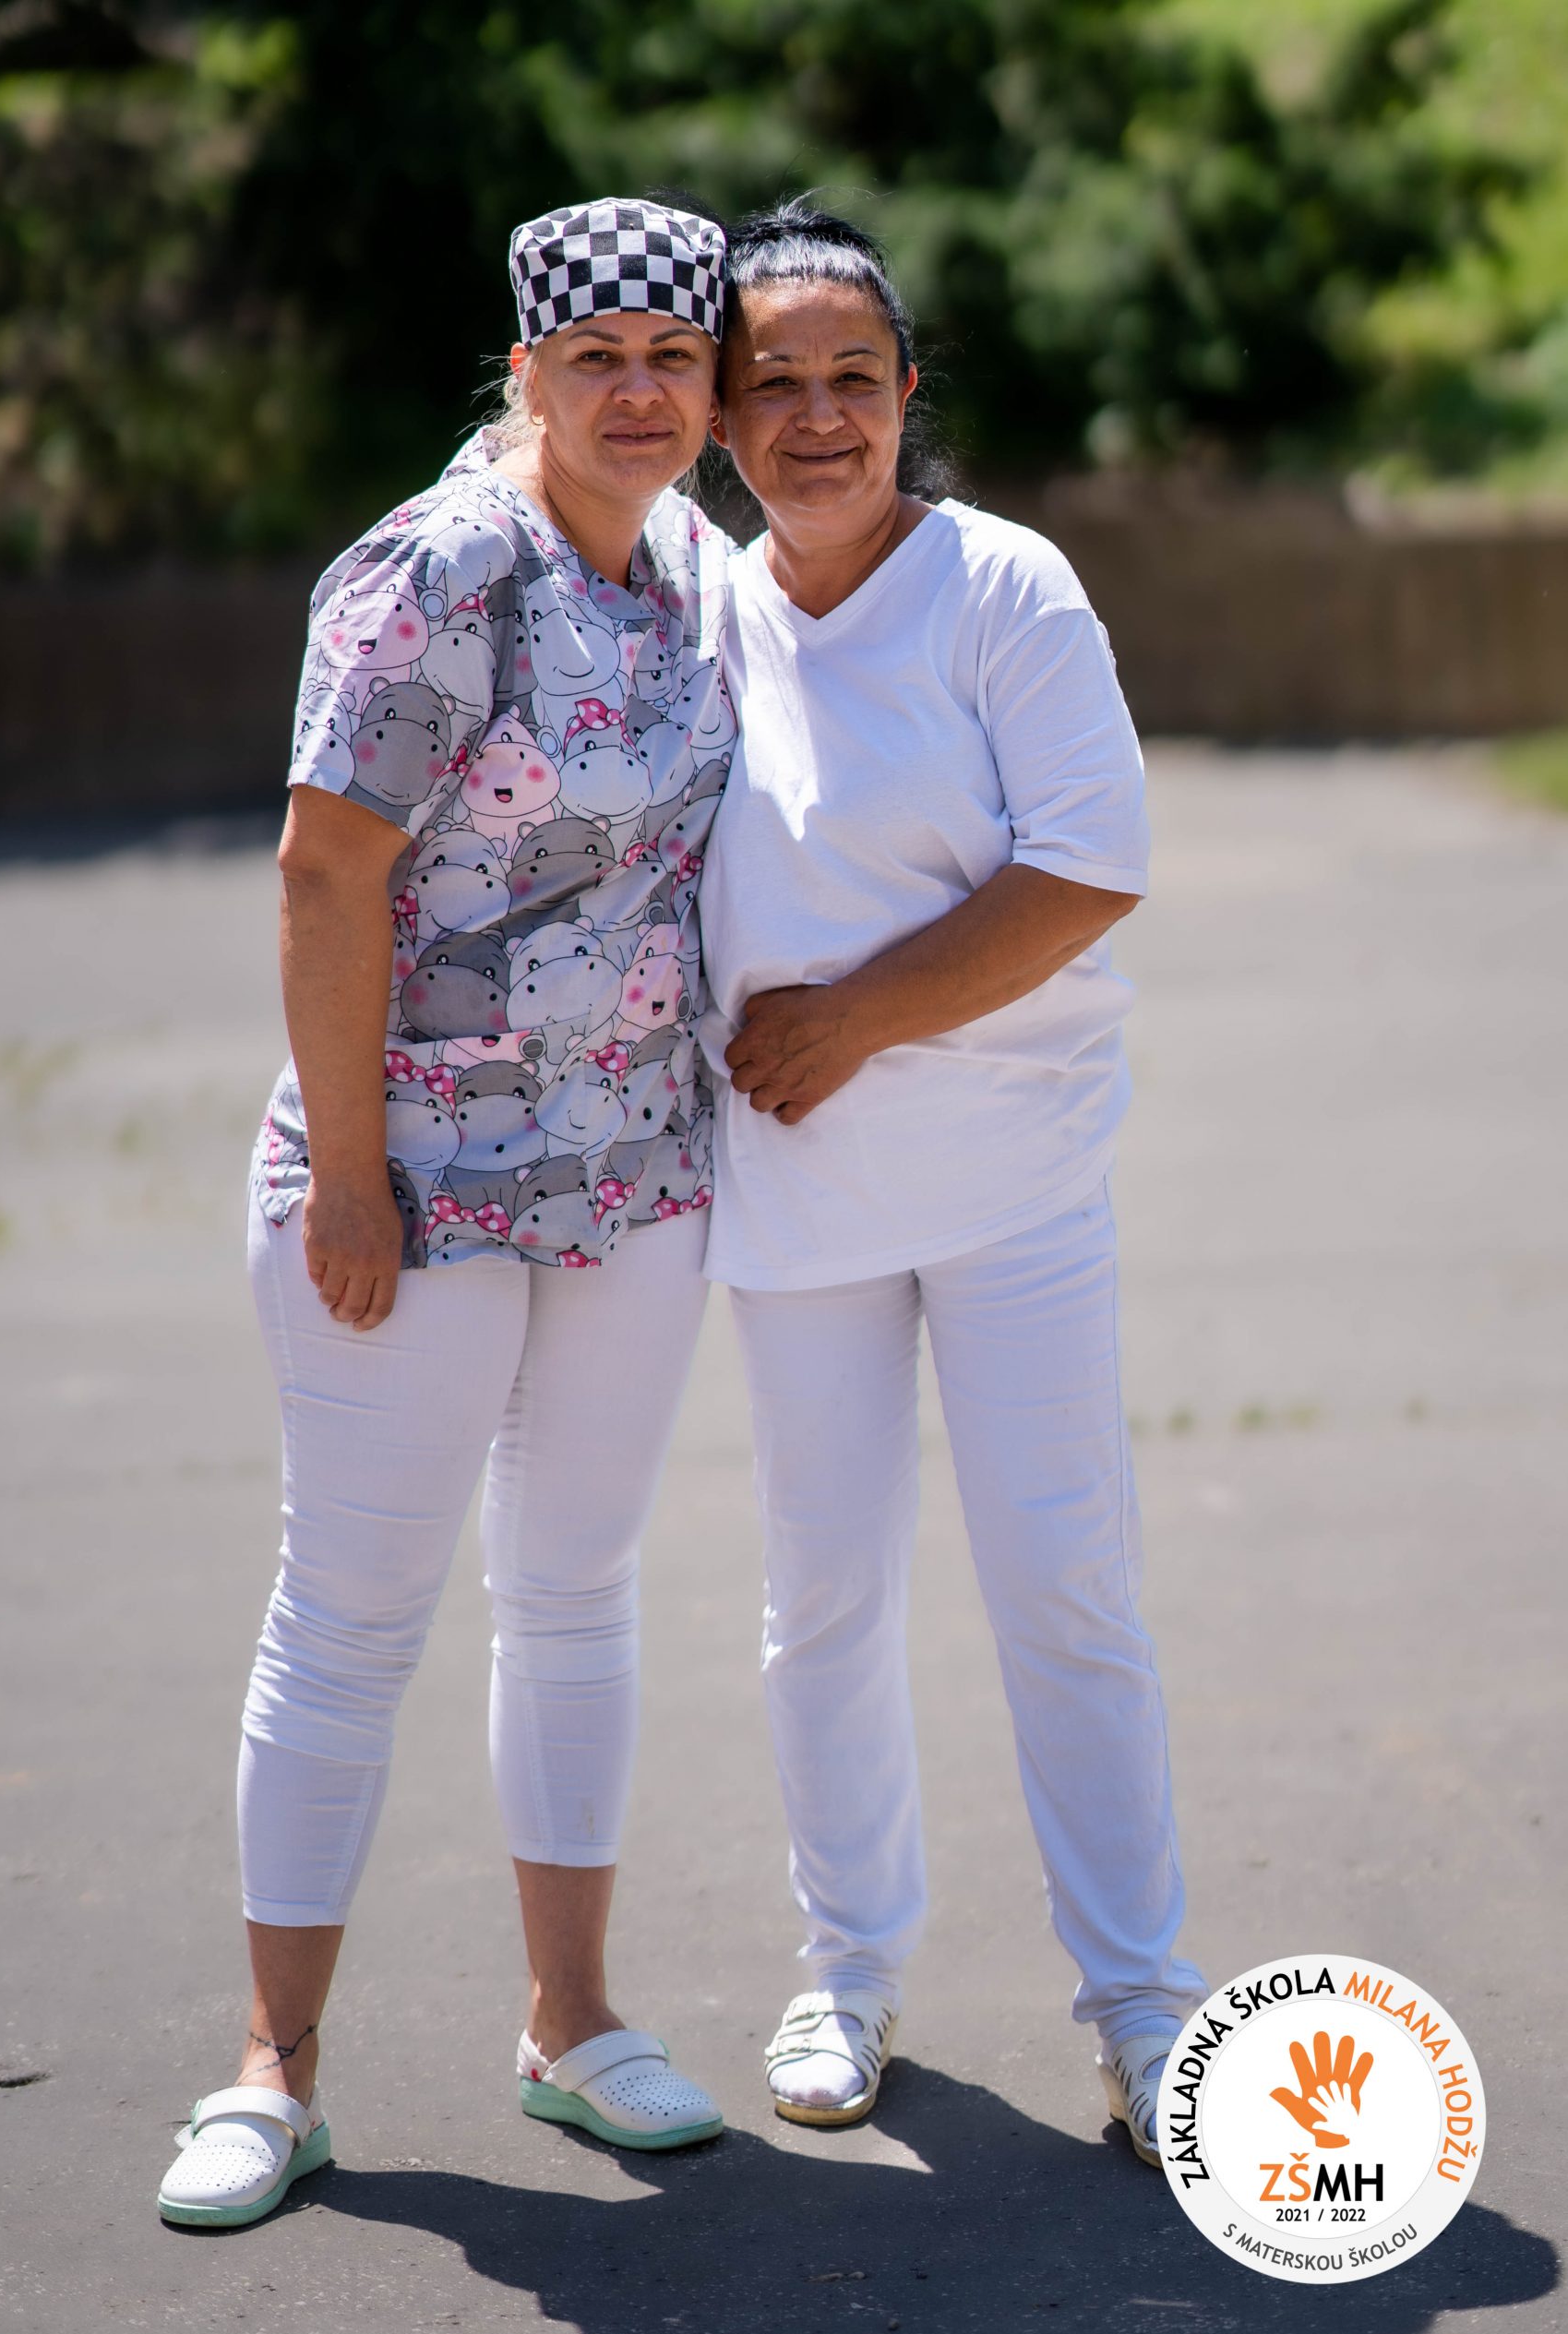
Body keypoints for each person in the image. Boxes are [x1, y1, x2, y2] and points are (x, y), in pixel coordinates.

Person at [158, 197, 738, 2230]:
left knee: (577, 1590)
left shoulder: (689, 559)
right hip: (412, 1181)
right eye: (599, 361)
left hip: (635, 1177)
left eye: (674, 357)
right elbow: (326, 872)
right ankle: (273, 2069)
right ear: (526, 375)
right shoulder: (446, 567)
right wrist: (347, 1172)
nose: (641, 394)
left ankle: (572, 2025)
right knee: (352, 1612)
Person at [696, 201, 1206, 2165]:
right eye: (776, 383)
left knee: (1062, 1584)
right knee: (819, 1597)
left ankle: (1144, 2003)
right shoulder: (693, 604)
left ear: (909, 392)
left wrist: (851, 1021)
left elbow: (1087, 867)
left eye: (855, 376)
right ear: (721, 413)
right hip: (794, 1195)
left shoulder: (1005, 586)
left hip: (1014, 1175)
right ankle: (847, 1968)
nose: (818, 417)